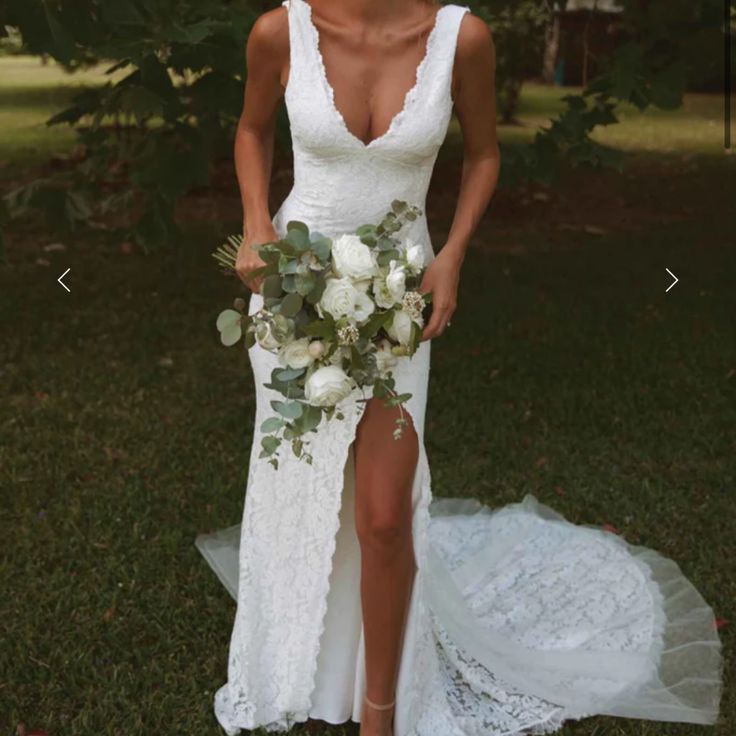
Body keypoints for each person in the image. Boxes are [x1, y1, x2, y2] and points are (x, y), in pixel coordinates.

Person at [195, 1, 722, 734]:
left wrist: (452, 255)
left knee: (383, 516)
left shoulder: (459, 38)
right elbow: (251, 131)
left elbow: (484, 154)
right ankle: (300, 673)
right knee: (304, 494)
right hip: (294, 296)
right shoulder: (280, 30)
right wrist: (255, 222)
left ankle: (380, 712)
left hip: (399, 302)